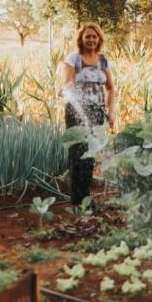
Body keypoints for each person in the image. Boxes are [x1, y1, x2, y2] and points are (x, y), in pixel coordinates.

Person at [61, 23, 115, 205]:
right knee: (78, 153)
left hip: (97, 112)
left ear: (99, 39)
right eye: (87, 36)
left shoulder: (103, 60)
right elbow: (67, 83)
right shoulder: (74, 58)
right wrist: (68, 91)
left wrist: (110, 111)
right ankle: (77, 199)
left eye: (94, 36)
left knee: (90, 153)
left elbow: (110, 88)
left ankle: (85, 197)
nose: (91, 39)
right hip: (77, 111)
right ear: (81, 39)